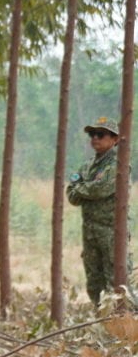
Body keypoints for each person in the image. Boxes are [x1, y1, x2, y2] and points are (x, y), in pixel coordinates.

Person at [66, 117, 132, 306]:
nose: (95, 138)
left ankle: (126, 325)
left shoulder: (118, 166)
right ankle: (103, 322)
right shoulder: (86, 166)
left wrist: (83, 188)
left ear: (115, 140)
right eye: (92, 134)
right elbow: (71, 195)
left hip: (112, 233)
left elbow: (100, 189)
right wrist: (85, 188)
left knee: (118, 284)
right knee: (94, 283)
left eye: (100, 134)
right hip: (90, 233)